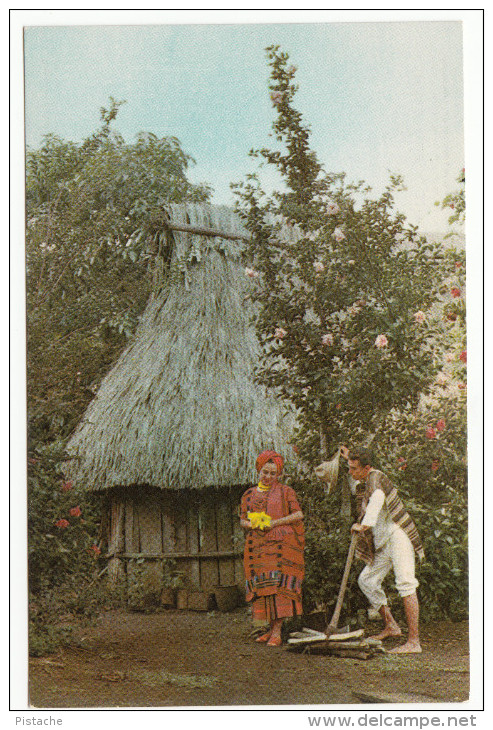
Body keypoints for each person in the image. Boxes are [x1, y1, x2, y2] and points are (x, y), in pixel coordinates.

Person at [345, 446, 424, 654]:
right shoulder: (365, 480)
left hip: (399, 537)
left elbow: (377, 501)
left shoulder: (376, 480)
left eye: (354, 469)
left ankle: (414, 642)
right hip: (384, 544)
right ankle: (391, 625)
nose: (350, 472)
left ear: (367, 468)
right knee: (367, 580)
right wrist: (347, 454)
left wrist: (363, 526)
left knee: (406, 584)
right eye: (349, 467)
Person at [240, 450, 304, 646]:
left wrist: (275, 523)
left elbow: (298, 515)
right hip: (257, 547)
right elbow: (243, 520)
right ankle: (269, 629)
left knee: (278, 587)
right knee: (262, 587)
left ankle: (277, 632)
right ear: (258, 470)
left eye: (272, 473)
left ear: (278, 475)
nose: (268, 477)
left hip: (281, 546)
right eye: (264, 472)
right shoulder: (249, 495)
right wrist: (253, 525)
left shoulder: (286, 492)